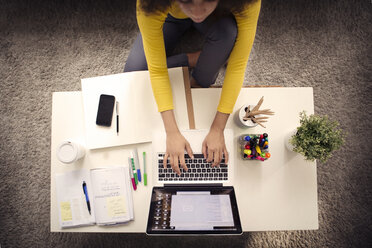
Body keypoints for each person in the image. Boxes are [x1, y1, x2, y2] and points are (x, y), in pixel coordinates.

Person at [124, 0, 261, 175]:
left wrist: (218, 129)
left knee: (226, 37)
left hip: (218, 19)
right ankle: (194, 59)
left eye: (207, 0)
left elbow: (238, 67)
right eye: (187, 1)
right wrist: (172, 133)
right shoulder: (149, 2)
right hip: (169, 16)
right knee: (133, 75)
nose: (197, 12)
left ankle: (204, 64)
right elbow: (157, 71)